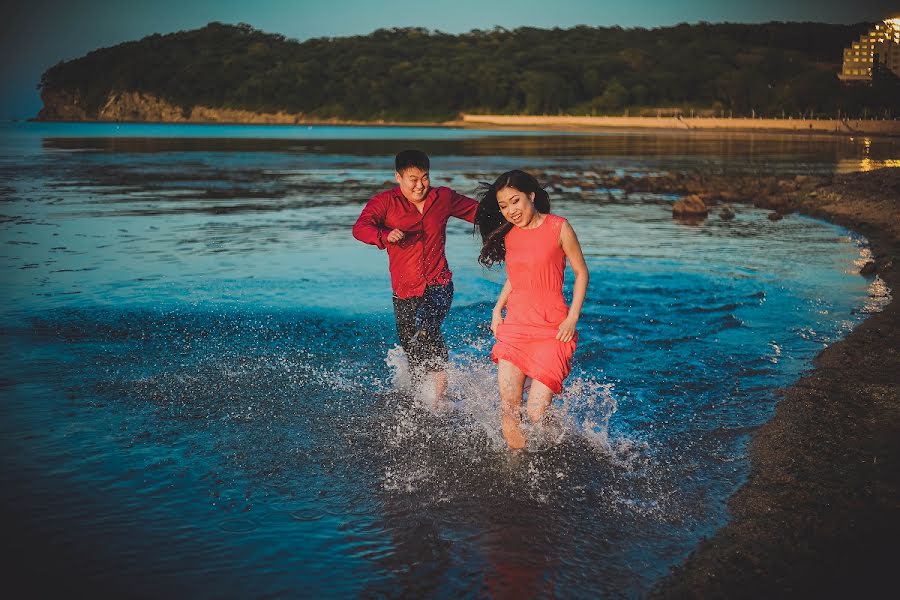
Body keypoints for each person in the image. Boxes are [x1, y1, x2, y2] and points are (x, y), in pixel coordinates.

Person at [474, 170, 589, 450]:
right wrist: (497, 309)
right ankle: (516, 466)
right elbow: (517, 275)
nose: (511, 211)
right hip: (516, 328)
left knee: (537, 413)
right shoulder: (510, 235)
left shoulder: (558, 227)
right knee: (509, 408)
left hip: (554, 331)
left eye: (515, 201)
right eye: (504, 206)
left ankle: (556, 447)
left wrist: (572, 318)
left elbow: (581, 272)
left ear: (531, 196)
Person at [353, 150, 478, 402]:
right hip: (404, 291)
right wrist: (384, 235)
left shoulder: (442, 197)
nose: (420, 185)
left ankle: (439, 398)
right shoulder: (385, 202)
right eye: (413, 179)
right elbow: (360, 228)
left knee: (426, 328)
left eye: (424, 178)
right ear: (398, 177)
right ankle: (420, 396)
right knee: (411, 347)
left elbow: (480, 213)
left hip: (439, 284)